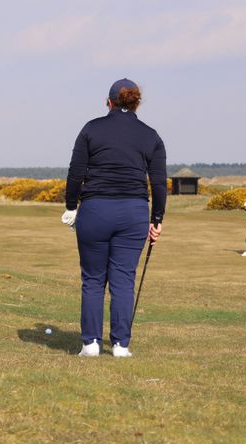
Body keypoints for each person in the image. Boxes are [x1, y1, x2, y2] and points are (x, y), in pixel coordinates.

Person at [61, 78, 167, 358]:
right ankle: (121, 346)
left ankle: (91, 344)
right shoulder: (151, 135)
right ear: (136, 104)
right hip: (134, 213)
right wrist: (157, 220)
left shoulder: (91, 129)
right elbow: (158, 183)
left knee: (94, 278)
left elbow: (75, 174)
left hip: (95, 210)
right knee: (122, 279)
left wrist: (71, 206)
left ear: (109, 102)